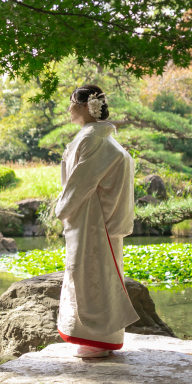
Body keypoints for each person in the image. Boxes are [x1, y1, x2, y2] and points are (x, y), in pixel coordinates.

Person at [55, 84, 139, 358]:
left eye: (71, 103)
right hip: (95, 217)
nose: (68, 108)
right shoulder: (100, 136)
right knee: (97, 275)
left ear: (84, 107)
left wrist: (61, 209)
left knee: (89, 276)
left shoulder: (92, 138)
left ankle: (94, 340)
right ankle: (99, 338)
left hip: (91, 219)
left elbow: (80, 184)